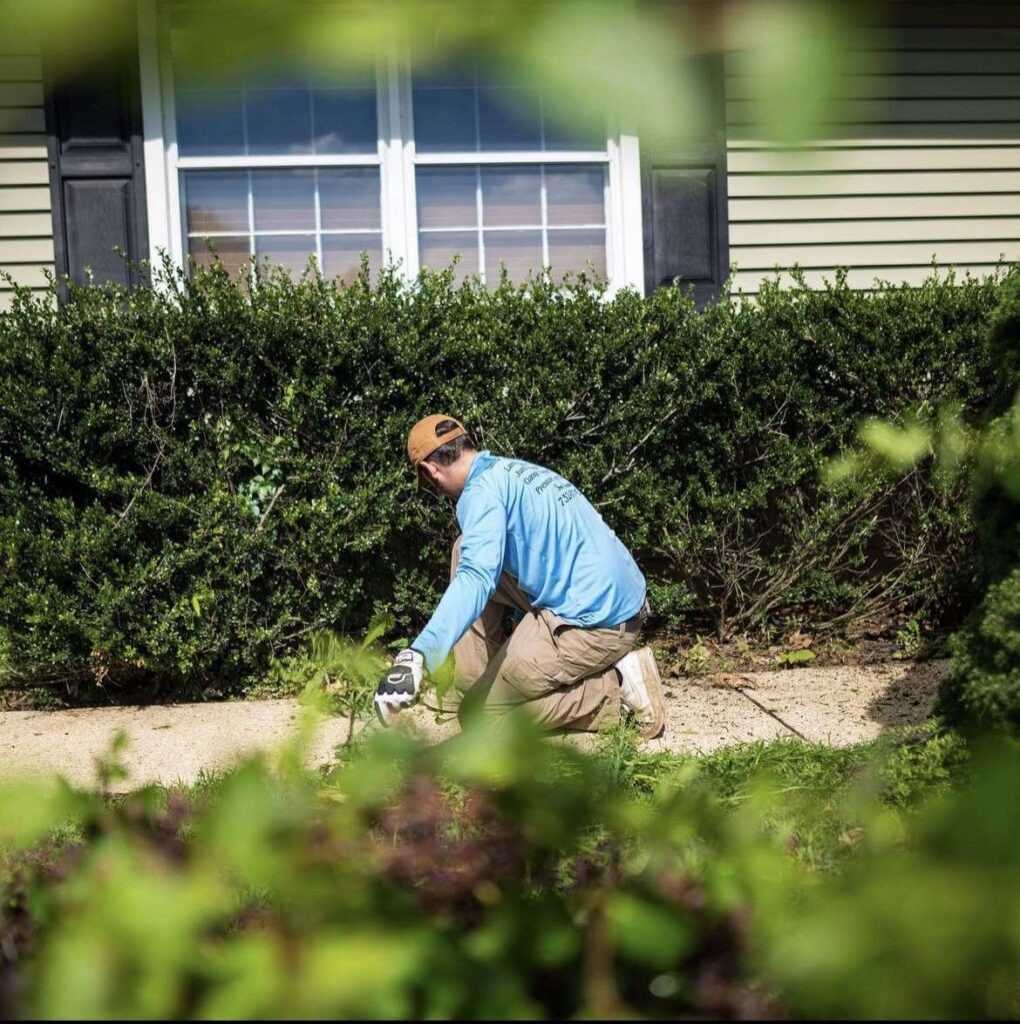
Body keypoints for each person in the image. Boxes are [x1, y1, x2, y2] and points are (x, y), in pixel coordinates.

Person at [374, 414, 665, 737]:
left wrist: (418, 657)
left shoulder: (481, 495)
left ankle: (617, 688)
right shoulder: (509, 470)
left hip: (599, 624)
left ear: (431, 471)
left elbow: (476, 578)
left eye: (429, 484)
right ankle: (472, 688)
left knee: (480, 719)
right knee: (463, 547)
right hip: (606, 597)